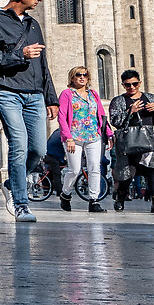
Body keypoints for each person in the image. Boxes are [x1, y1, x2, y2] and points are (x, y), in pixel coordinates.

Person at [0, 0, 58, 224]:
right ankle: (22, 204)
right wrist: (19, 54)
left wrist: (50, 97)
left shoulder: (34, 25)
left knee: (38, 149)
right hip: (6, 90)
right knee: (19, 144)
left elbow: (43, 63)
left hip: (34, 94)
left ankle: (12, 183)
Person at [109, 70, 154, 212]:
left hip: (151, 140)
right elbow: (115, 121)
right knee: (127, 174)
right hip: (130, 142)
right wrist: (130, 111)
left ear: (140, 83)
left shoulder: (151, 97)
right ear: (123, 85)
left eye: (135, 84)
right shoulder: (119, 101)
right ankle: (120, 198)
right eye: (128, 85)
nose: (132, 87)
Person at [56, 66, 110, 212]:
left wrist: (109, 133)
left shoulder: (93, 94)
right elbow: (61, 116)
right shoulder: (67, 94)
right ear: (72, 78)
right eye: (78, 75)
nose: (82, 77)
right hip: (73, 136)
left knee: (94, 168)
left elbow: (101, 115)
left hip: (93, 135)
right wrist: (68, 138)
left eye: (84, 75)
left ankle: (94, 200)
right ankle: (65, 194)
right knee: (74, 169)